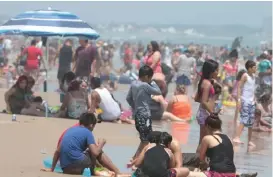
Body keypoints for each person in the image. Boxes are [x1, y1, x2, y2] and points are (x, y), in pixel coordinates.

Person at [126, 65, 161, 159]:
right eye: (150, 78)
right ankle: (137, 160)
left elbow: (128, 98)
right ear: (146, 77)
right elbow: (158, 92)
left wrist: (135, 107)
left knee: (145, 139)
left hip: (137, 115)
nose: (151, 79)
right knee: (146, 140)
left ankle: (135, 158)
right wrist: (153, 82)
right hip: (145, 115)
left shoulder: (133, 84)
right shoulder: (145, 85)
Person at [194, 59, 219, 152]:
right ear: (211, 72)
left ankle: (201, 161)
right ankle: (198, 161)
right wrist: (212, 113)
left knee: (205, 140)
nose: (218, 72)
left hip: (203, 113)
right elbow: (204, 102)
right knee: (203, 141)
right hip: (205, 114)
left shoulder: (204, 81)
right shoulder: (207, 84)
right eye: (216, 70)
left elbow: (197, 98)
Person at [233, 60, 256, 147]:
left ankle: (249, 140)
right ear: (249, 68)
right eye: (254, 67)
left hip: (251, 101)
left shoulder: (253, 77)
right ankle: (237, 137)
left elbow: (252, 88)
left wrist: (254, 98)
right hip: (245, 100)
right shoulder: (245, 76)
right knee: (244, 119)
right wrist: (239, 100)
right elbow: (239, 87)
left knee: (251, 121)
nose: (255, 68)